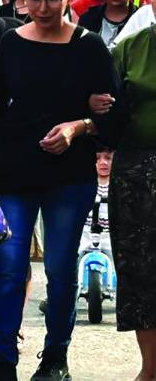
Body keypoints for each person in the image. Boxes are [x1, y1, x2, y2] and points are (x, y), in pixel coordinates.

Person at [0, 0, 122, 381]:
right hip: (14, 173)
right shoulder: (11, 43)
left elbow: (114, 114)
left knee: (60, 269)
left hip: (69, 176)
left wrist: (80, 126)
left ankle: (55, 358)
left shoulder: (89, 45)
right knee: (9, 268)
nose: (43, 7)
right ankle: (3, 361)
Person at [102, 20, 156, 381]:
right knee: (140, 271)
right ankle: (150, 369)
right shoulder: (130, 48)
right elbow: (105, 107)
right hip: (136, 170)